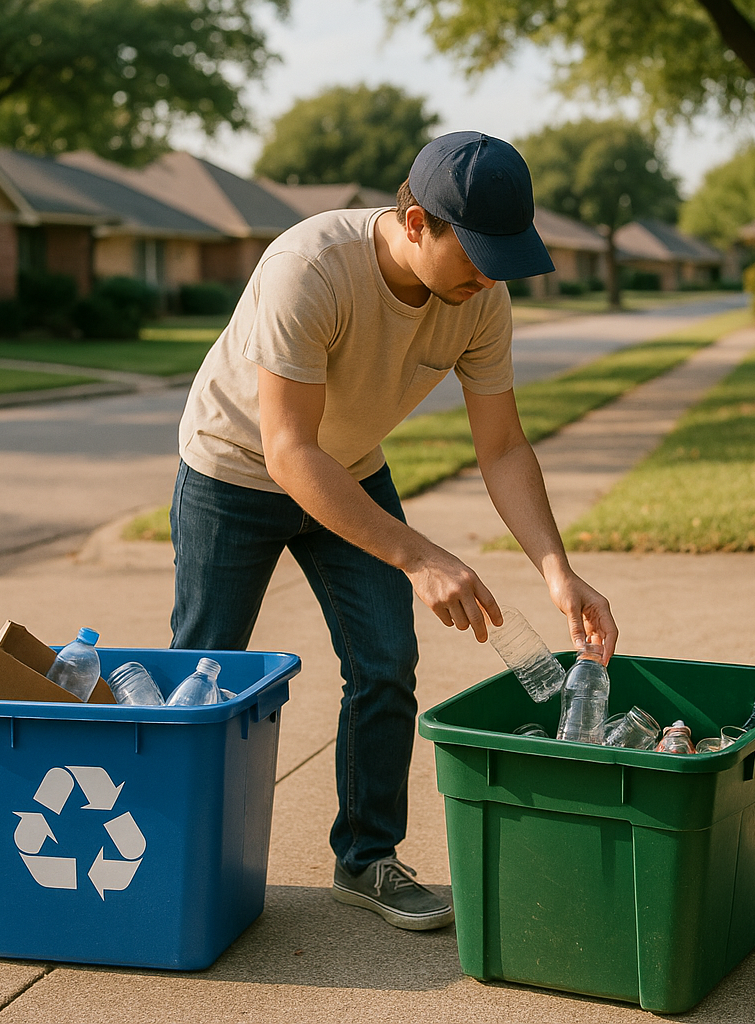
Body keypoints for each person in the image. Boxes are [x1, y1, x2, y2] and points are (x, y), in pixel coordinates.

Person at [171, 131, 618, 931]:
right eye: (477, 253)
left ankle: (367, 858)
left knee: (385, 661)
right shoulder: (309, 269)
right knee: (208, 671)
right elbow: (287, 451)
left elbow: (504, 446)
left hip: (345, 463)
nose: (490, 275)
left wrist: (557, 569)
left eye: (504, 255)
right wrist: (419, 556)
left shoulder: (482, 297)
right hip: (235, 467)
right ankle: (174, 859)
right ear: (416, 222)